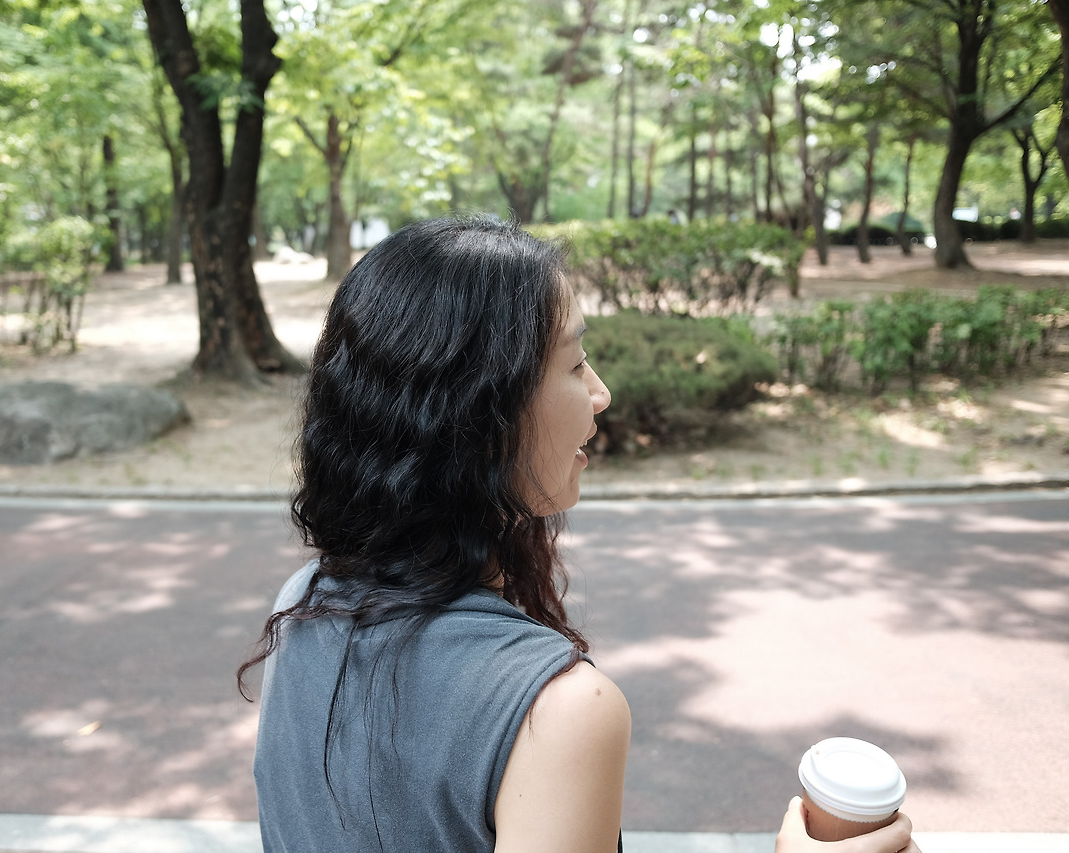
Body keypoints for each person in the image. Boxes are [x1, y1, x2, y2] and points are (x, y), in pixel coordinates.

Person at [240, 217, 921, 853]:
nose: (601, 393)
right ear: (477, 411)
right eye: (573, 364)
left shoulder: (302, 600)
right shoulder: (558, 711)